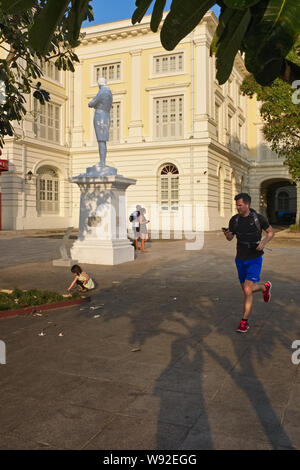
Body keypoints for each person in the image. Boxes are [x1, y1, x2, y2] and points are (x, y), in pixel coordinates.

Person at [223, 193, 274, 333]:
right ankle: (265, 288)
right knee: (247, 290)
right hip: (240, 259)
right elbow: (230, 238)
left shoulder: (258, 218)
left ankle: (244, 322)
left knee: (247, 289)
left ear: (247, 204)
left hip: (255, 258)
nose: (237, 208)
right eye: (236, 205)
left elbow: (270, 232)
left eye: (239, 205)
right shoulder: (234, 220)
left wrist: (263, 243)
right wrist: (228, 234)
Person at [88, 77, 113, 168]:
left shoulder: (102, 91)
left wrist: (92, 104)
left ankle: (102, 162)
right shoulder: (109, 92)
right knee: (102, 141)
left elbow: (92, 103)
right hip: (106, 115)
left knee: (101, 141)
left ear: (99, 83)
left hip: (100, 116)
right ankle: (102, 161)